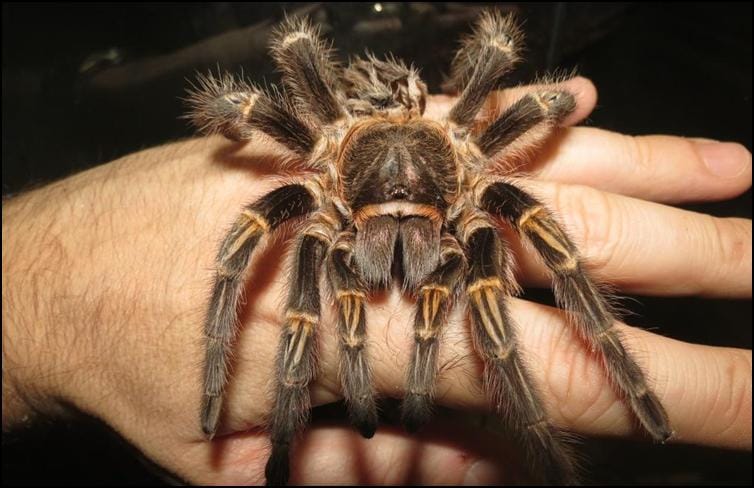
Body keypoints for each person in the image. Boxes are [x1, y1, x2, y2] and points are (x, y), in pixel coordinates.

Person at [2, 77, 751, 485]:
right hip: (348, 170)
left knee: (541, 257)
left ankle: (616, 384)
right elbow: (231, 111)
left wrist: (546, 103)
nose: (405, 247)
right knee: (277, 270)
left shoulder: (469, 171)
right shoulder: (323, 183)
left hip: (448, 179)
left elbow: (539, 98)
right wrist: (213, 385)